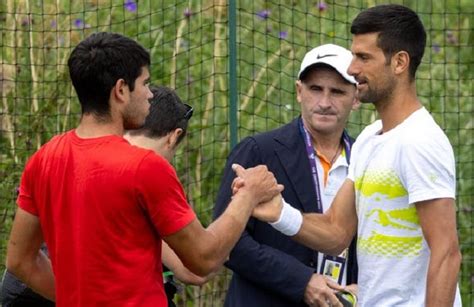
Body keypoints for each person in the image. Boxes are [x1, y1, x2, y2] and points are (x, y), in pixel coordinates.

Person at [5, 32, 282, 306]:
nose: (150, 95)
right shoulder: (145, 167)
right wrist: (248, 195)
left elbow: (20, 260)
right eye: (145, 83)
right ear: (121, 90)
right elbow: (203, 260)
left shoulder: (43, 159)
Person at [251, 4, 462, 307]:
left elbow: (446, 253)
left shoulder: (421, 141)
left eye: (363, 57)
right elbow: (337, 231)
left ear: (400, 62)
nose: (352, 69)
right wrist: (278, 212)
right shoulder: (368, 137)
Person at [0, 85, 205, 307]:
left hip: (29, 283)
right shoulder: (139, 172)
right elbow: (193, 271)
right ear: (174, 136)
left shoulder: (76, 150)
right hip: (40, 286)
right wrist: (234, 219)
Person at [213, 44, 360, 307]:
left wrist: (366, 284)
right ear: (298, 91)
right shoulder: (258, 151)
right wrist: (301, 280)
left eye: (337, 92)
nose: (325, 102)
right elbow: (227, 243)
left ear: (357, 98)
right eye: (315, 89)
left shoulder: (366, 157)